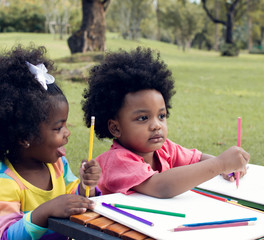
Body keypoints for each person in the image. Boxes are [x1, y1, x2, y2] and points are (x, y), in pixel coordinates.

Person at [0, 45, 101, 240]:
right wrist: (45, 211)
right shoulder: (2, 183)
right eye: (58, 128)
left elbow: (76, 200)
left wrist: (87, 186)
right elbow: (7, 236)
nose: (67, 132)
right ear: (24, 138)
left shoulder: (59, 166)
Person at [81, 47, 249, 199]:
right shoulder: (117, 160)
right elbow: (162, 186)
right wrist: (220, 163)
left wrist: (227, 169)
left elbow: (197, 159)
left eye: (161, 116)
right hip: (112, 231)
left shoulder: (164, 149)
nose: (156, 125)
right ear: (115, 128)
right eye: (143, 118)